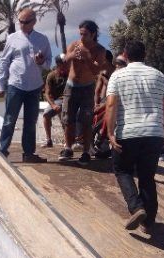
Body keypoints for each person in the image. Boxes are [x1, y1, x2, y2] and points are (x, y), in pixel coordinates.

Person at [104, 41, 164, 233]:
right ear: (145, 54)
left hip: (128, 133)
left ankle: (136, 208)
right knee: (147, 177)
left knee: (122, 170)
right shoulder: (159, 75)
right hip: (154, 134)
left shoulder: (117, 76)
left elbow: (111, 105)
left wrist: (109, 132)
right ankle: (148, 222)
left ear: (125, 55)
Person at [0, 7, 52, 163]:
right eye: (20, 21)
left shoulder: (43, 39)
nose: (22, 24)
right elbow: (3, 61)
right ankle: (2, 151)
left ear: (34, 22)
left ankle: (29, 154)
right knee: (9, 119)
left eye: (26, 22)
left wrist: (42, 62)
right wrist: (1, 85)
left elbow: (49, 63)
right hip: (15, 84)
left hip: (34, 87)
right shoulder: (12, 38)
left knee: (30, 122)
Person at [59, 20, 106, 165]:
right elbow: (63, 64)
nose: (82, 37)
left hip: (87, 87)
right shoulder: (74, 45)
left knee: (86, 120)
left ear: (93, 34)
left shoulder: (100, 50)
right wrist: (71, 56)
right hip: (71, 86)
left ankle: (86, 151)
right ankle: (68, 148)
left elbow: (96, 71)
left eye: (85, 34)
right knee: (68, 118)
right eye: (80, 34)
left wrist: (87, 58)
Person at [92, 52, 125, 158]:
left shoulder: (116, 74)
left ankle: (101, 138)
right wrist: (96, 104)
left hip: (112, 101)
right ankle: (98, 141)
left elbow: (114, 92)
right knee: (96, 114)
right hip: (105, 101)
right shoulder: (103, 73)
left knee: (107, 112)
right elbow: (97, 91)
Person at [41, 55, 68, 148]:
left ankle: (68, 141)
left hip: (68, 99)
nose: (66, 65)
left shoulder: (70, 74)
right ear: (58, 64)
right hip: (56, 101)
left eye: (66, 63)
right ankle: (48, 140)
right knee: (46, 115)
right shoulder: (51, 76)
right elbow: (47, 93)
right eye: (63, 63)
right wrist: (52, 105)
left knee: (65, 118)